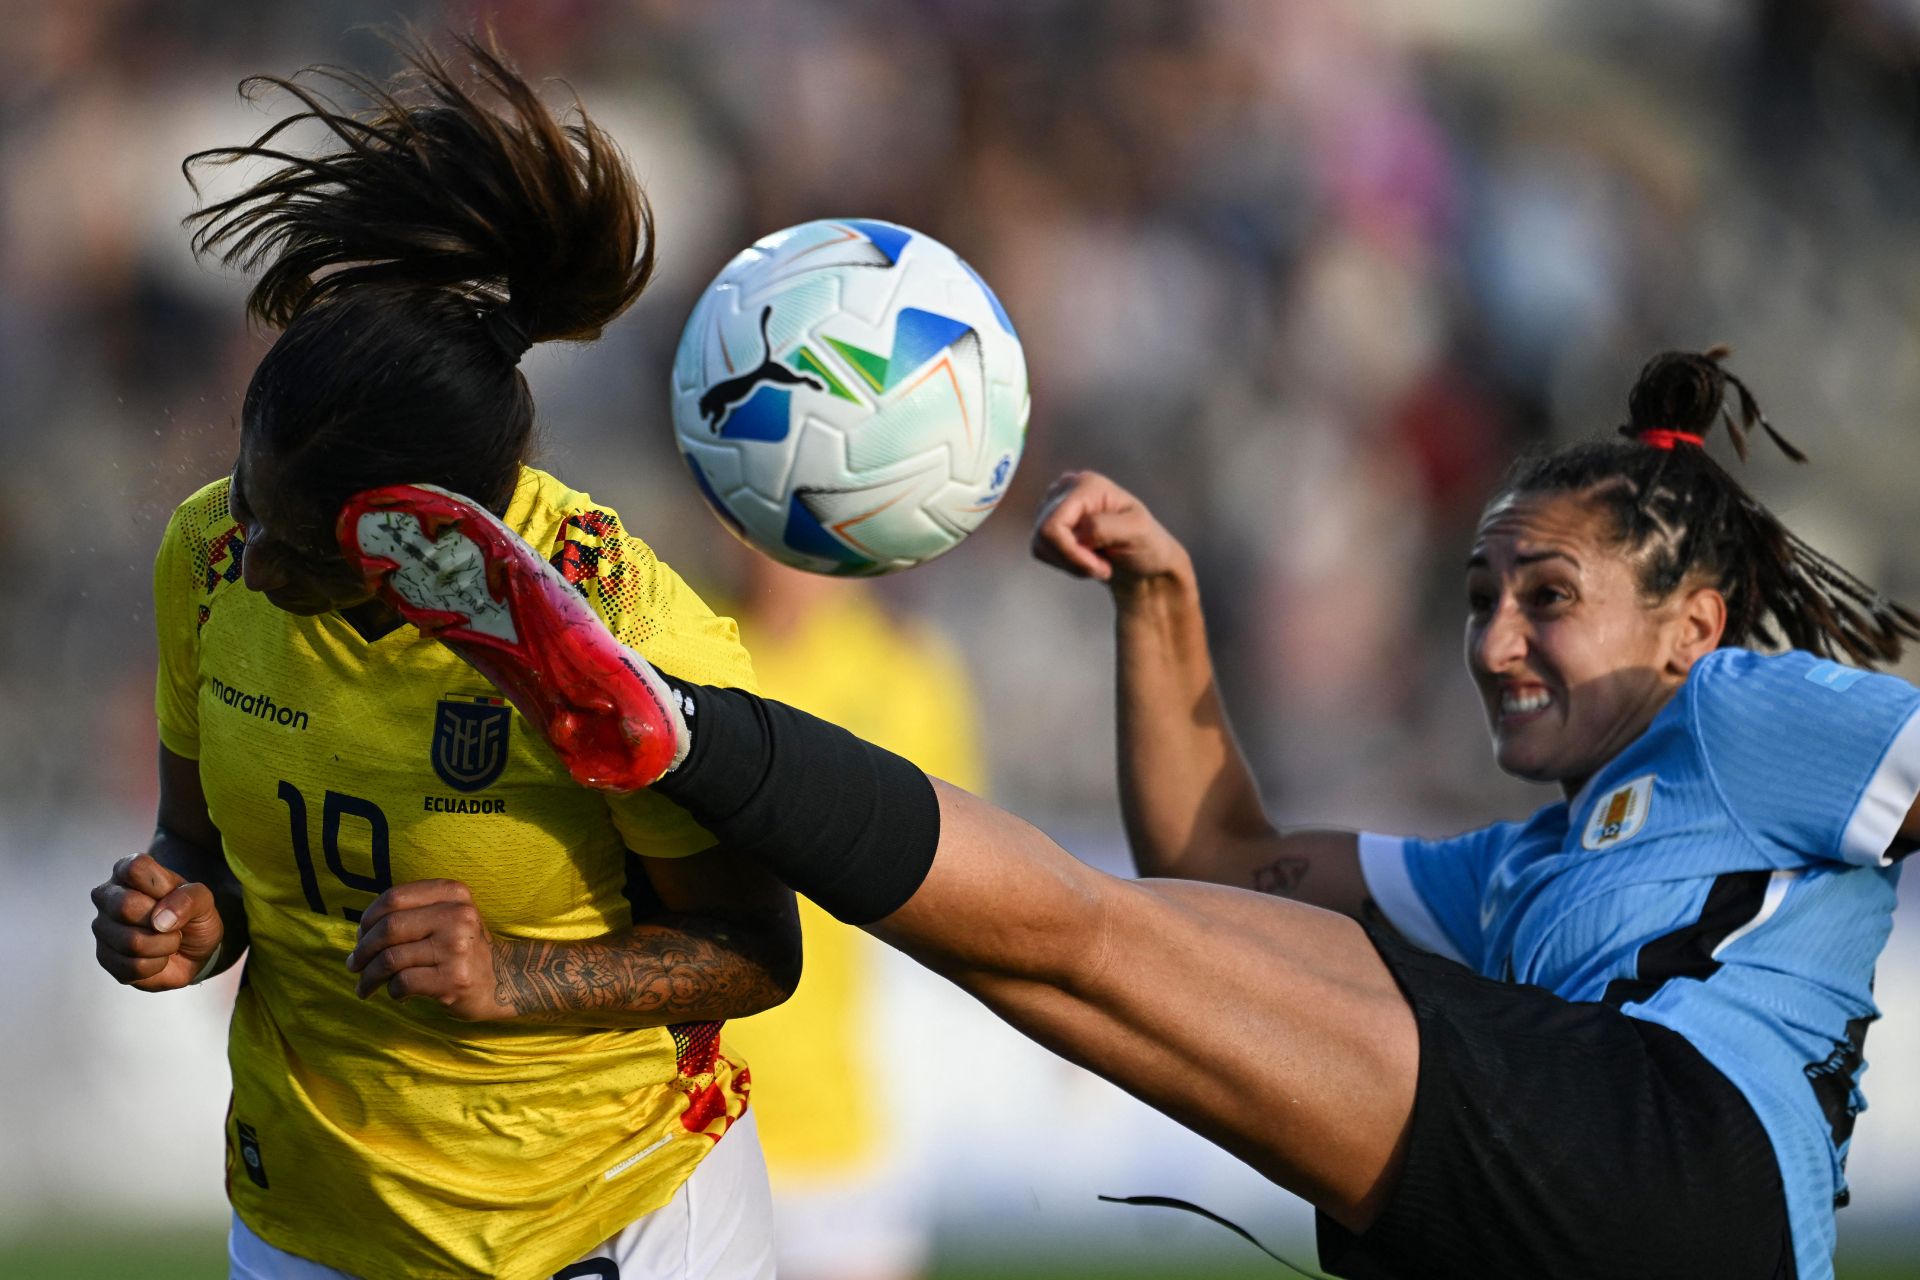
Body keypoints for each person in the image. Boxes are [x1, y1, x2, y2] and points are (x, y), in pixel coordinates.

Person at [336, 347, 1916, 1280]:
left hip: (1673, 1158)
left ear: (1692, 622)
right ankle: (670, 726)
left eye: (1549, 599)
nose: (1495, 641)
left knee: (1087, 949)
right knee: (1061, 963)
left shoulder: (1740, 708)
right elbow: (1219, 865)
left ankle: (670, 729)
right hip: (1601, 1214)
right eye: (1480, 593)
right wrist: (1162, 604)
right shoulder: (1526, 872)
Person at [86, 37, 797, 1280]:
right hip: (309, 1215)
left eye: (299, 543)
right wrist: (184, 916)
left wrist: (513, 974)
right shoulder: (202, 557)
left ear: (424, 533)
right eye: (248, 503)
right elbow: (200, 844)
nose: (249, 559)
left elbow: (753, 947)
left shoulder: (618, 633)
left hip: (605, 1216)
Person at [719, 553, 987, 1280]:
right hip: (678, 1122)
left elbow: (969, 886)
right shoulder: (677, 643)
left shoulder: (906, 674)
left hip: (835, 1129)